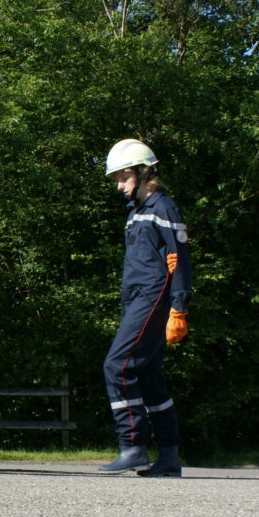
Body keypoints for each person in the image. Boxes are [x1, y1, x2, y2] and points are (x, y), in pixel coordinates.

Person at [99, 139, 192, 477]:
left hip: (154, 297)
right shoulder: (137, 212)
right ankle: (168, 456)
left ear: (142, 173)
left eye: (123, 178)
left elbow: (179, 261)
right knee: (149, 375)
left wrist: (179, 308)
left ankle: (133, 446)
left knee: (117, 365)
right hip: (136, 299)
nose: (119, 186)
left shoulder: (163, 208)